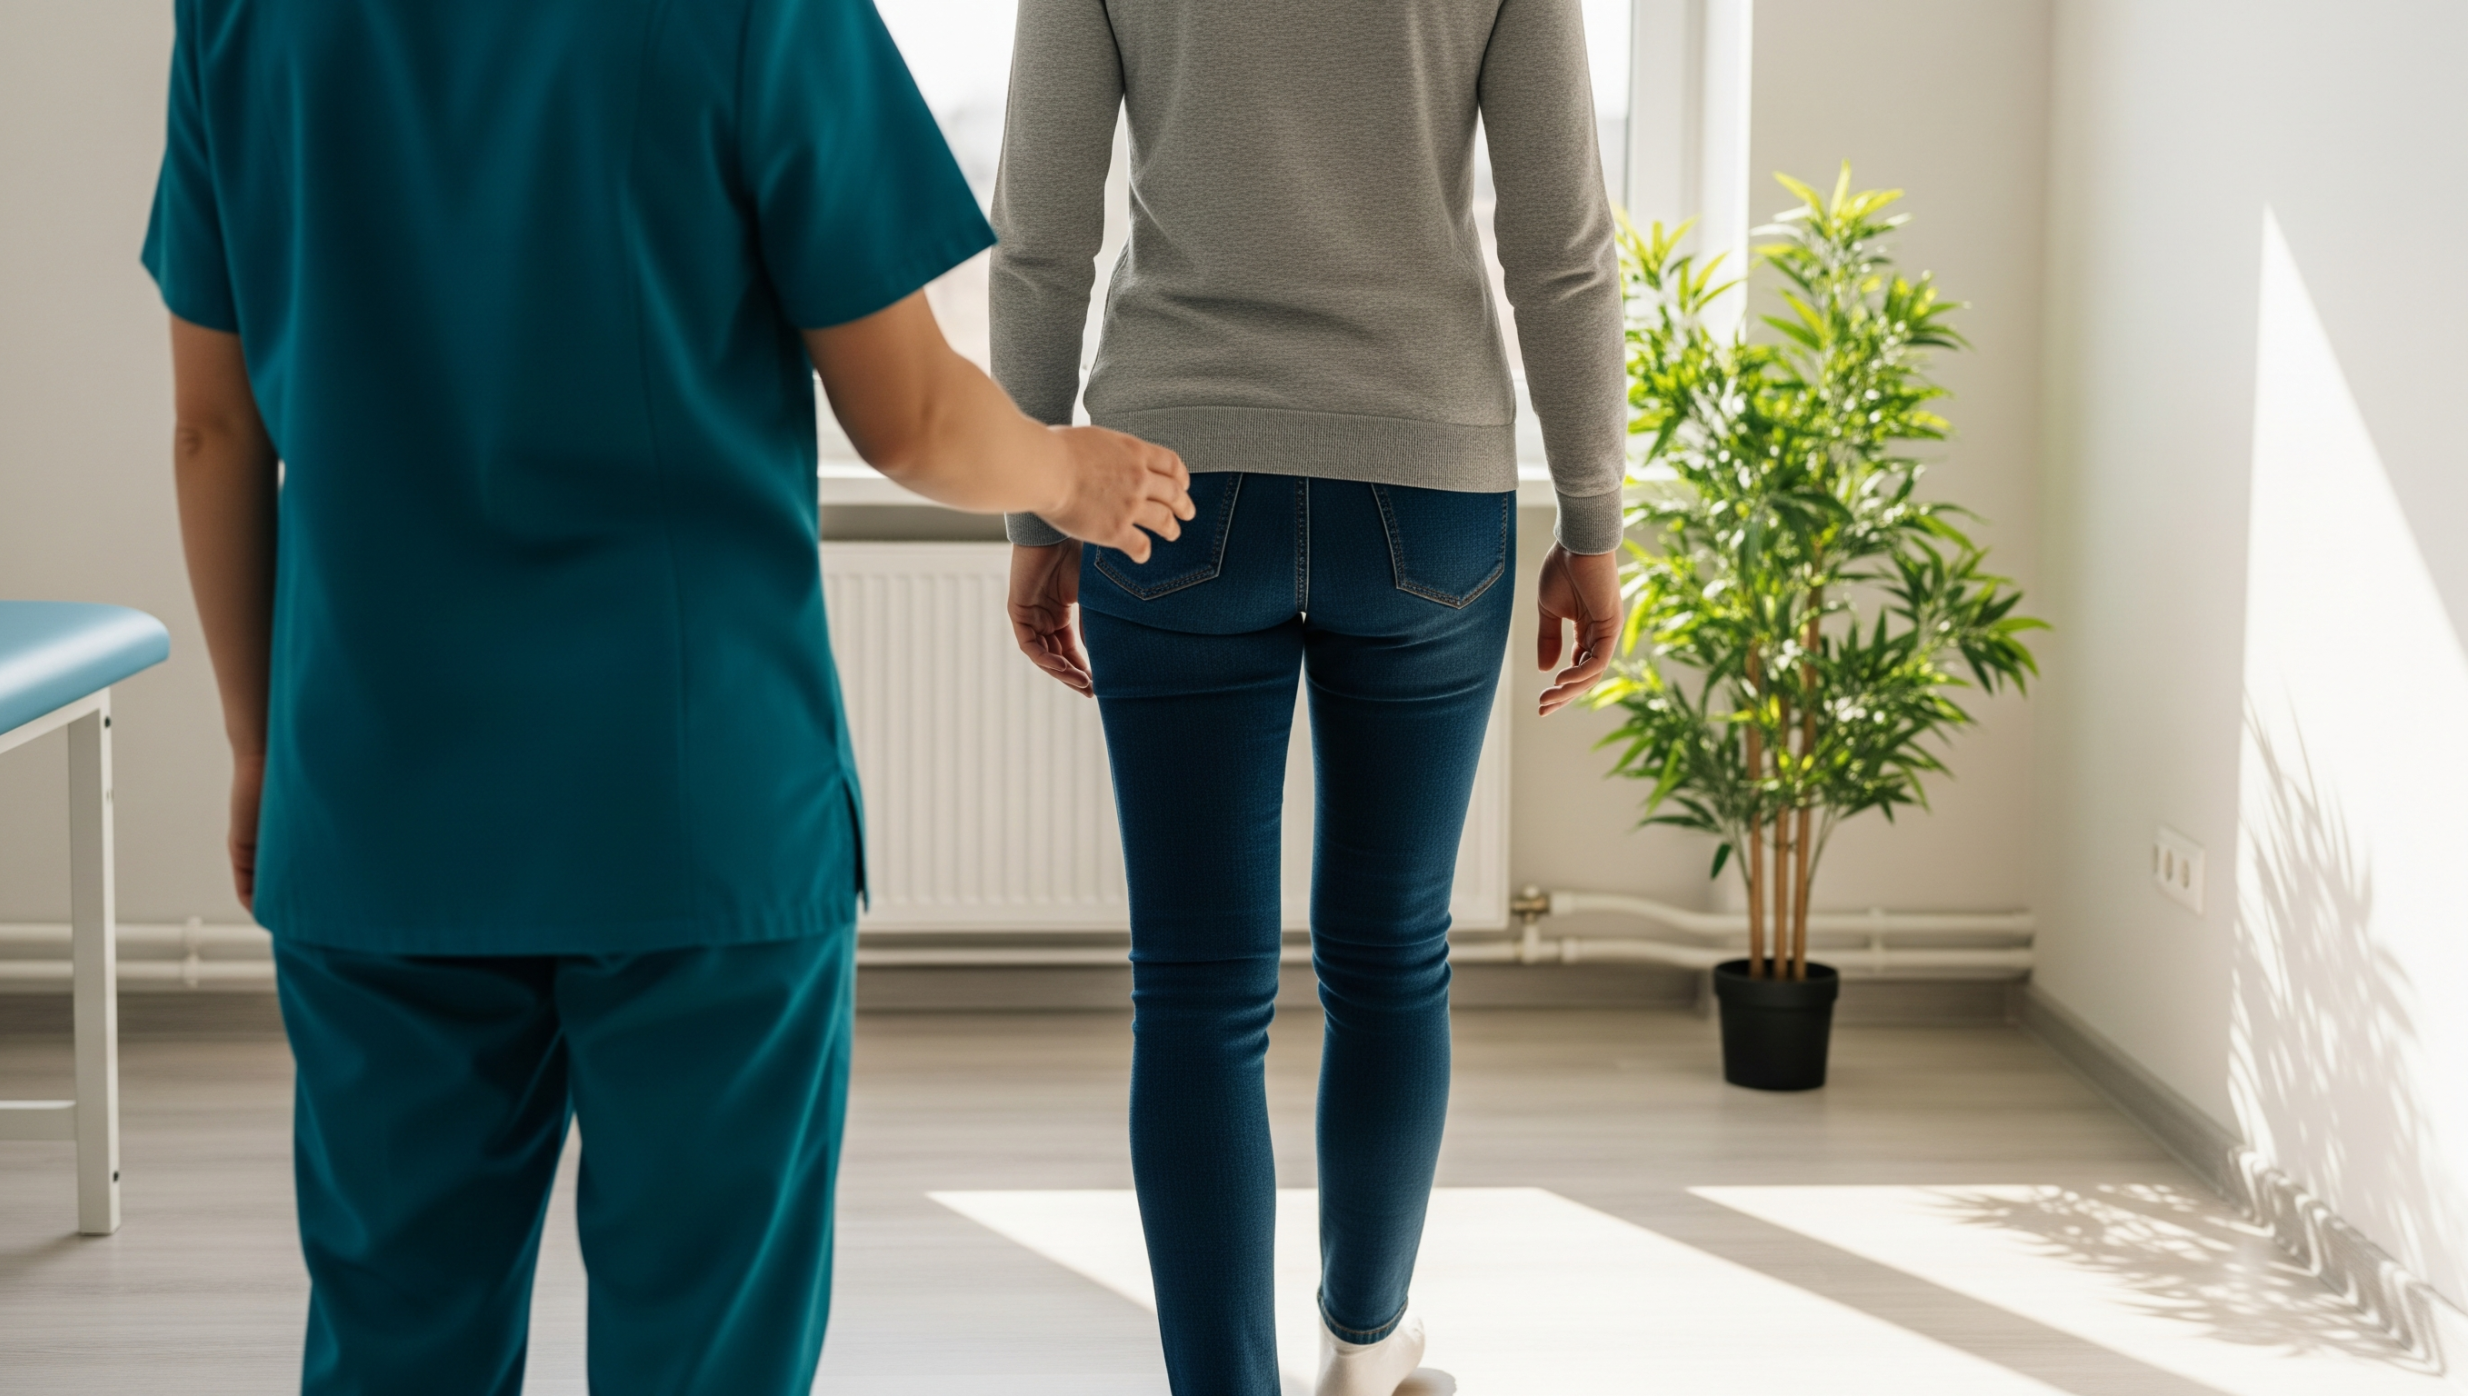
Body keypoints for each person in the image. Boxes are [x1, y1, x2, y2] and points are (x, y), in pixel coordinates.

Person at [150, 1, 1188, 1391]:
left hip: (378, 798)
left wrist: (258, 747)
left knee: (397, 1339)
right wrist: (1074, 477)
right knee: (707, 1353)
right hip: (694, 806)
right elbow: (914, 419)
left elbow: (217, 427)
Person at [992, 0, 1627, 1391]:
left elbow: (1043, 233)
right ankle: (1365, 1345)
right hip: (1428, 484)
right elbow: (1559, 244)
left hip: (1169, 486)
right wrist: (1593, 521)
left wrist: (1038, 512)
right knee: (1392, 958)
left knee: (1196, 990)